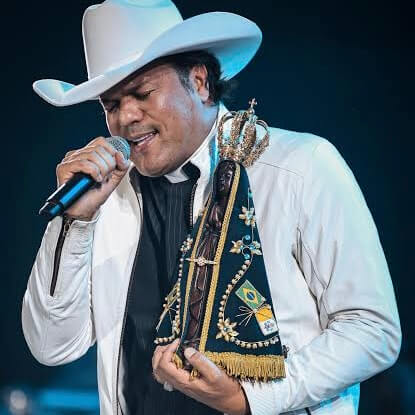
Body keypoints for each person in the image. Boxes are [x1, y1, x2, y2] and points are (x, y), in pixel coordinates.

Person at [22, 1, 401, 414]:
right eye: (111, 105)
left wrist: (249, 399)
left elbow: (372, 329)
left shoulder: (299, 167)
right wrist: (74, 222)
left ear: (200, 82)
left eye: (142, 93)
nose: (126, 117)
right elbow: (51, 345)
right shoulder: (106, 198)